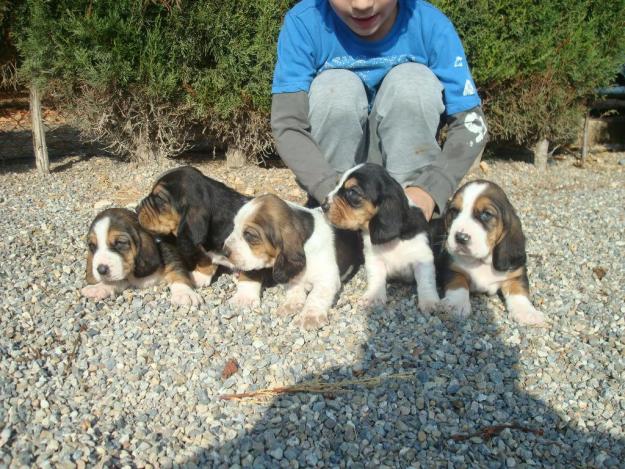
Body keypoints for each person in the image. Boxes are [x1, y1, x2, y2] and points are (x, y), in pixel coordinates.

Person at [271, 0, 487, 220]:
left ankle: (412, 215)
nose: (362, 5)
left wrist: (431, 189)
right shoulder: (304, 24)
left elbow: (472, 125)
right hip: (336, 192)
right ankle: (330, 220)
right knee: (335, 88)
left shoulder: (431, 26)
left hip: (410, 195)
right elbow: (288, 124)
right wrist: (328, 189)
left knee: (413, 83)